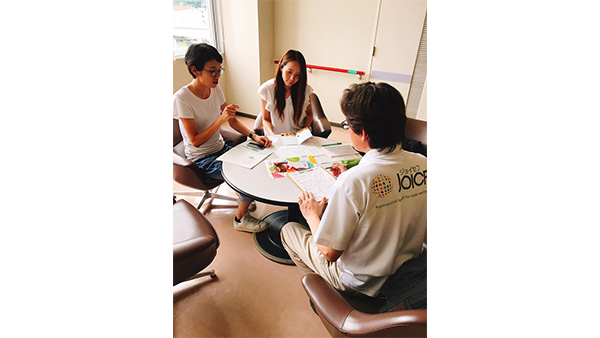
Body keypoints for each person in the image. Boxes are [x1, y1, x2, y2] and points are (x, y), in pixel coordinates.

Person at [281, 82, 427, 297]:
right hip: (407, 271)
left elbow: (330, 252)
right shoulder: (423, 163)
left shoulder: (353, 181)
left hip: (361, 284)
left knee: (289, 230)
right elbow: (391, 181)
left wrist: (312, 215)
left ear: (364, 133)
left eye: (347, 124)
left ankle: (330, 294)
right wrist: (357, 171)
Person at [173, 43, 273, 233]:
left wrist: (253, 136)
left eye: (220, 70)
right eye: (212, 71)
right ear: (194, 70)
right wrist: (221, 120)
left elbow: (232, 121)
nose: (217, 76)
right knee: (245, 173)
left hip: (221, 149)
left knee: (257, 159)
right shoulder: (182, 98)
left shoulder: (214, 88)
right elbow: (195, 140)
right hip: (202, 159)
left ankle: (245, 196)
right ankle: (240, 219)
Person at [257, 50, 314, 135]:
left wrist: (303, 132)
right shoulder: (267, 89)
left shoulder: (305, 90)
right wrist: (273, 136)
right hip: (275, 136)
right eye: (289, 72)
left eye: (297, 75)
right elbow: (265, 119)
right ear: (281, 67)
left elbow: (309, 114)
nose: (292, 78)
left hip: (297, 136)